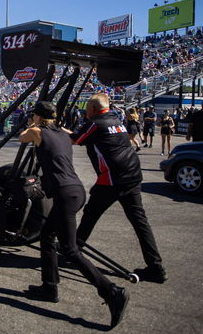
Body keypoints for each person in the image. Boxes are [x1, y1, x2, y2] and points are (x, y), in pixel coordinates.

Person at [20, 101, 129, 329]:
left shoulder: (36, 131)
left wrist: (32, 125)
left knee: (70, 250)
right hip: (76, 191)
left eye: (34, 116)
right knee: (47, 237)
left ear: (38, 117)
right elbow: (73, 135)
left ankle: (112, 292)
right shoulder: (63, 132)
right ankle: (49, 286)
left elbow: (22, 138)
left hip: (64, 194)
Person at [71, 93, 167, 283]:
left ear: (93, 109)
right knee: (140, 222)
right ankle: (156, 267)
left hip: (113, 178)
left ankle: (72, 249)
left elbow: (77, 139)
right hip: (132, 175)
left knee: (91, 214)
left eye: (88, 107)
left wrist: (54, 130)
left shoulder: (95, 123)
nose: (86, 110)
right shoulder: (116, 119)